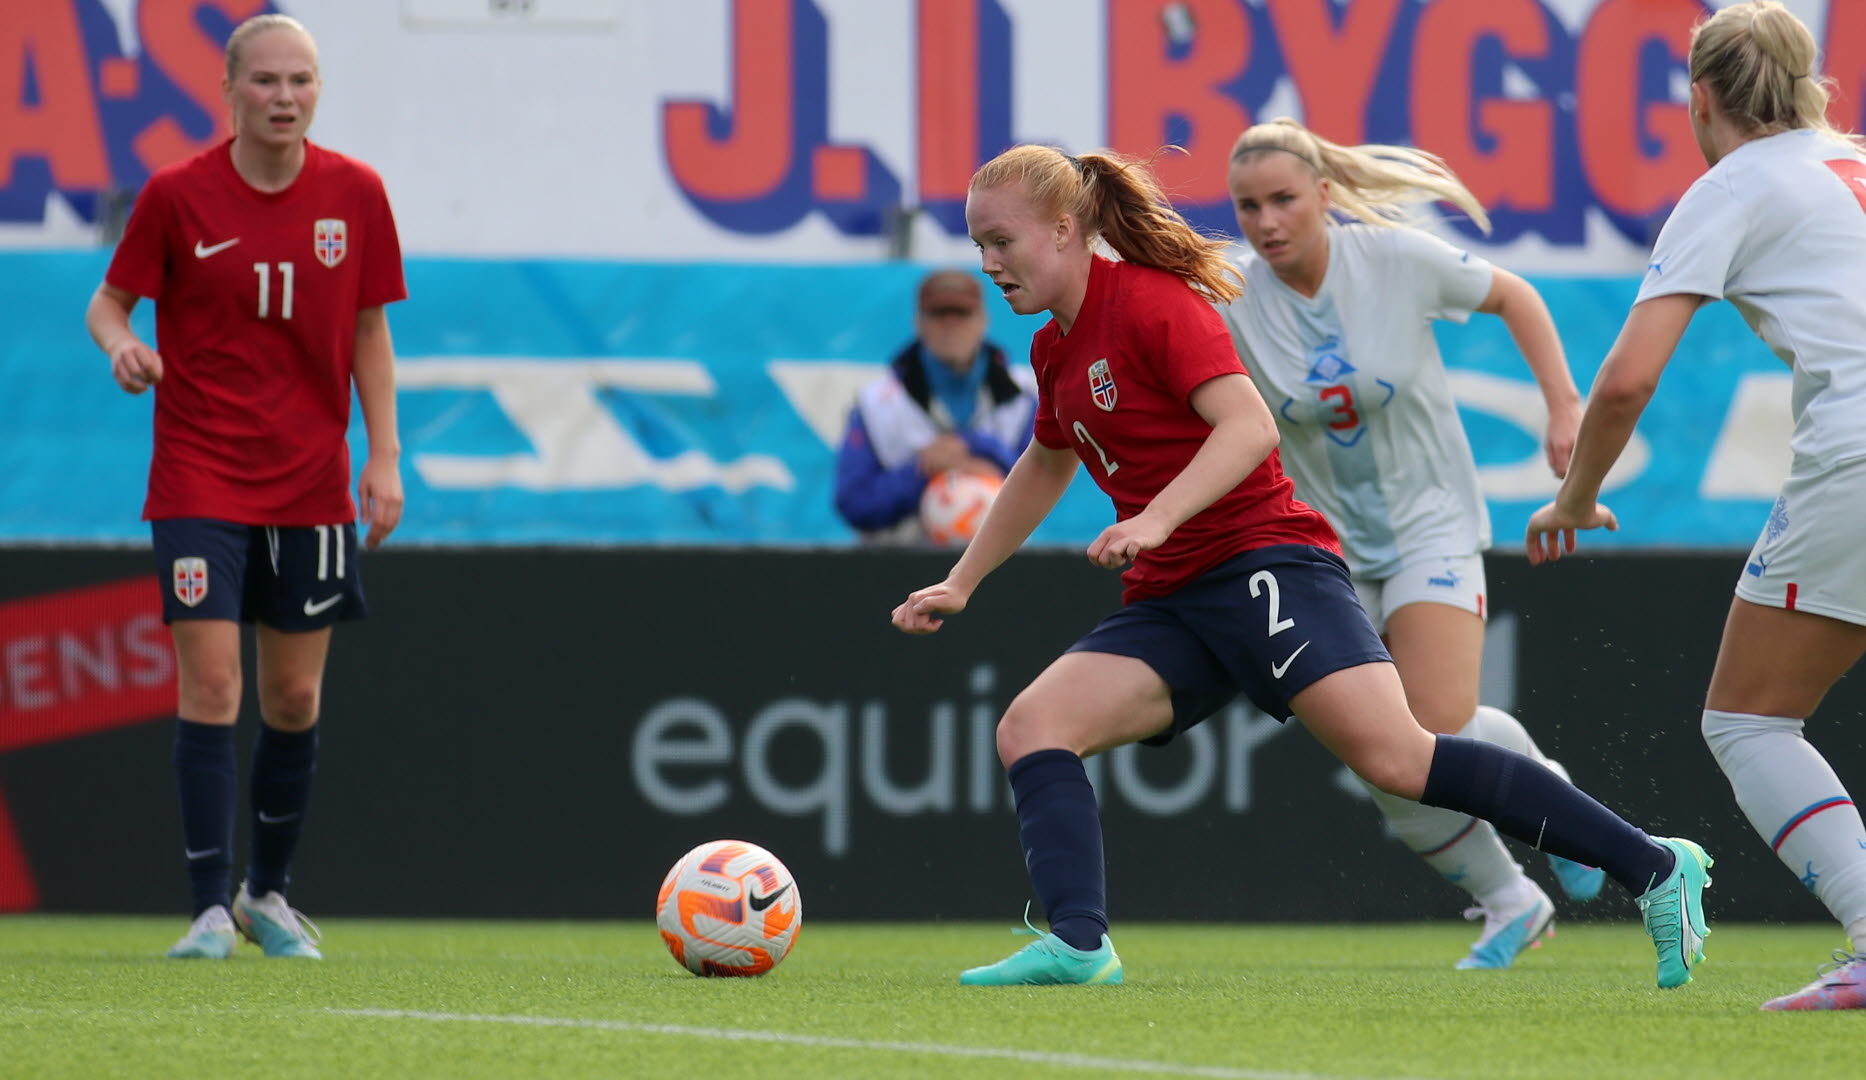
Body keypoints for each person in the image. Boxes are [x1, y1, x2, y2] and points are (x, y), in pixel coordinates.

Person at [892, 142, 1710, 991]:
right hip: (1177, 594)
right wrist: (963, 579)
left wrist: (1157, 516)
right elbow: (1045, 462)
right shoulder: (1055, 349)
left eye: (1001, 242)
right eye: (978, 245)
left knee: (1401, 760)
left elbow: (1250, 428)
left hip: (1264, 563)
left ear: (1065, 230)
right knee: (1031, 728)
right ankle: (1080, 944)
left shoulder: (1151, 304)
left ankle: (1654, 866)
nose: (987, 265)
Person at [1525, 0, 1866, 1011]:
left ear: (1700, 96)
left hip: (1857, 453)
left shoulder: (1732, 186)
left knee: (1749, 721)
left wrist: (1574, 496)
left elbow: (1626, 383)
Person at [1215, 118, 1607, 970]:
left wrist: (1564, 405)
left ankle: (1559, 806)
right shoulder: (1234, 300)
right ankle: (1509, 899)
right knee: (1378, 753)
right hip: (1326, 552)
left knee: (1433, 722)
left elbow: (1516, 297)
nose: (1267, 221)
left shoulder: (1394, 260)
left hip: (1432, 521)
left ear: (1324, 195)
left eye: (1283, 199)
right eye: (1248, 207)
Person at [83, 13, 406, 960]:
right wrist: (125, 348)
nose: (284, 98)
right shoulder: (179, 195)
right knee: (213, 681)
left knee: (295, 699)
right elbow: (109, 304)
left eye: (300, 81)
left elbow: (370, 333)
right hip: (199, 476)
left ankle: (268, 894)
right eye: (265, 81)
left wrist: (383, 455)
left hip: (311, 485)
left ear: (317, 90)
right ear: (228, 91)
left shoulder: (357, 193)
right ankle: (207, 907)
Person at [835, 269, 1038, 542]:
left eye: (962, 313)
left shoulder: (1024, 397)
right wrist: (922, 469)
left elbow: (1041, 485)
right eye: (939, 314)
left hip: (997, 565)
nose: (951, 325)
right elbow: (854, 505)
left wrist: (973, 446)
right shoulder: (875, 403)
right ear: (919, 322)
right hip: (899, 565)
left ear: (982, 321)